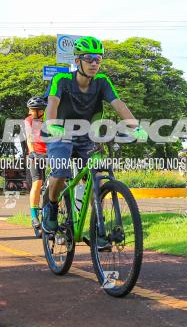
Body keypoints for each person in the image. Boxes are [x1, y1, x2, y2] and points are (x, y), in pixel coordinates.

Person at [41, 36, 148, 235]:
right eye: (89, 58)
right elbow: (53, 103)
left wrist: (135, 127)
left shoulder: (102, 82)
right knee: (61, 172)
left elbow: (118, 104)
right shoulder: (61, 79)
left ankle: (99, 225)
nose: (94, 63)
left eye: (98, 59)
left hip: (87, 136)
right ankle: (52, 206)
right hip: (60, 133)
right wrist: (52, 124)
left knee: (97, 178)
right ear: (77, 61)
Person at [24, 95, 48, 231]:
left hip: (50, 153)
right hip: (36, 154)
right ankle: (34, 215)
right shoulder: (28, 121)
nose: (33, 112)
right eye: (32, 110)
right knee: (37, 182)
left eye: (36, 110)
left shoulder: (48, 120)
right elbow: (29, 138)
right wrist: (32, 152)